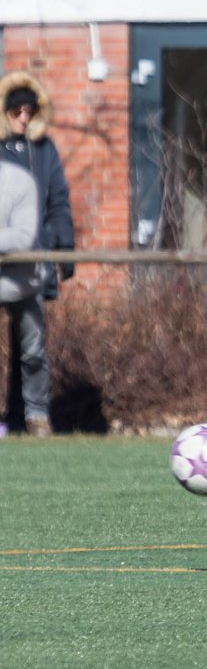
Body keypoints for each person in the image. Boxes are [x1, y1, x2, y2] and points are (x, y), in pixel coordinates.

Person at [0, 72, 75, 438]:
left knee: (32, 347)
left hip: (33, 262)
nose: (24, 118)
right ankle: (8, 417)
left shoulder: (45, 150)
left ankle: (35, 415)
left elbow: (58, 200)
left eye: (29, 110)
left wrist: (65, 247)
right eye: (16, 111)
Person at [0, 159, 44, 439]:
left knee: (33, 351)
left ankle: (38, 416)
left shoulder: (20, 181)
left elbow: (24, 236)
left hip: (22, 281)